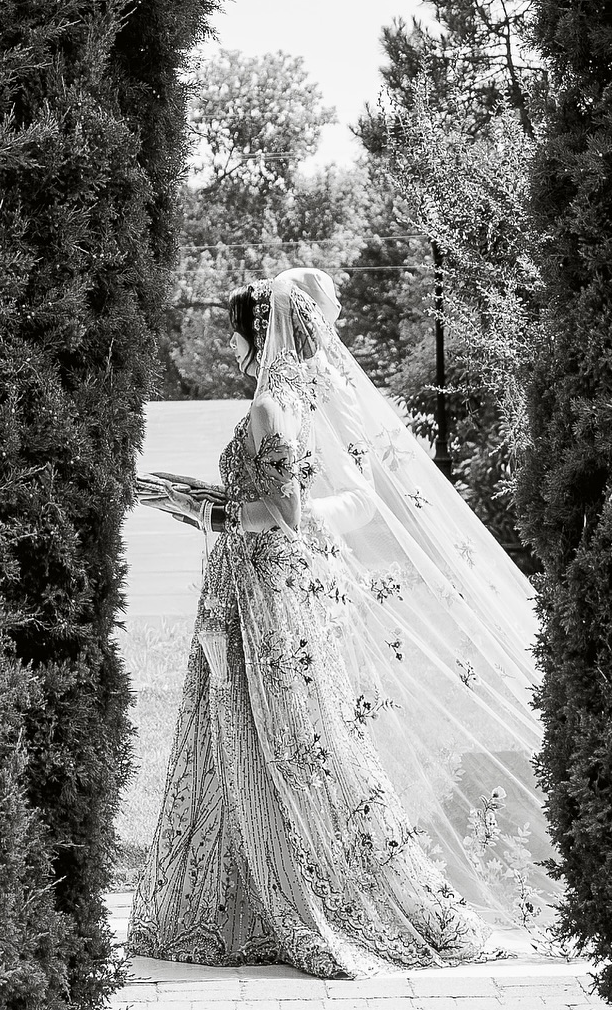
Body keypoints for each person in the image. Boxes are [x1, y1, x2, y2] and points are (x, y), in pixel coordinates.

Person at [128, 268, 559, 977]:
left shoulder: (272, 404)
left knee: (290, 742)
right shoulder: (290, 400)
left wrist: (203, 512)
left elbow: (284, 513)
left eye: (250, 326)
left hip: (262, 590)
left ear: (266, 330)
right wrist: (177, 494)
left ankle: (311, 900)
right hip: (251, 586)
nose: (247, 336)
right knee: (260, 741)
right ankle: (252, 903)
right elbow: (261, 494)